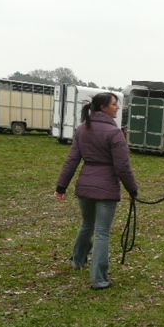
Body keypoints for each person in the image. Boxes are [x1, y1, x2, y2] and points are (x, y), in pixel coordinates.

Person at [55, 92, 138, 290]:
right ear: (103, 107)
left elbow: (72, 160)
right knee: (102, 232)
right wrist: (133, 189)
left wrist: (61, 186)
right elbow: (123, 167)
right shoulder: (115, 133)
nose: (118, 107)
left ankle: (77, 260)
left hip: (85, 186)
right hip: (106, 189)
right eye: (114, 104)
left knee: (87, 224)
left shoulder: (82, 129)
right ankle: (99, 279)